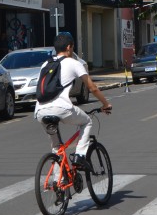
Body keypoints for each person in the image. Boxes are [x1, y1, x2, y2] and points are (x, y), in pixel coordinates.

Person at [35, 34, 112, 170]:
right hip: (61, 108)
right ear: (69, 47)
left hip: (40, 111)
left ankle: (58, 183)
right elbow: (92, 88)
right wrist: (105, 104)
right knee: (87, 121)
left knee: (57, 148)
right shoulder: (74, 63)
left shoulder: (46, 64)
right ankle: (80, 156)